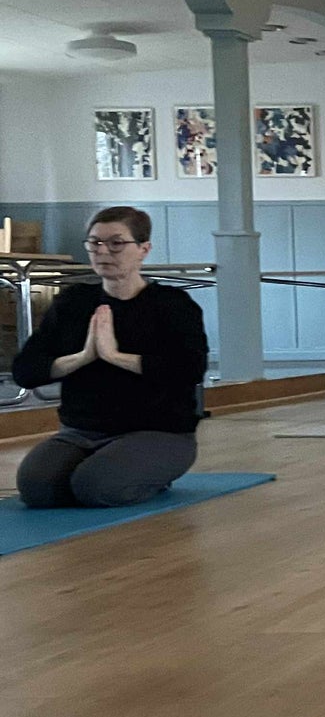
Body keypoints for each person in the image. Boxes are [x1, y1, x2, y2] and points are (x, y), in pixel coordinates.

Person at [10, 206, 207, 507]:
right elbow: (25, 371)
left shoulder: (173, 305)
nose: (103, 252)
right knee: (36, 488)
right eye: (95, 243)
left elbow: (189, 369)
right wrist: (84, 357)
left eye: (116, 243)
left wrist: (115, 356)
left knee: (94, 487)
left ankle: (150, 475)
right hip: (80, 432)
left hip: (159, 432)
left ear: (143, 249)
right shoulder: (73, 302)